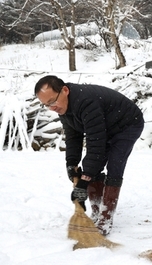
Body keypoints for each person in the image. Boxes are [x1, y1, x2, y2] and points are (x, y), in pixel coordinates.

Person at [34, 75, 144, 235]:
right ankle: (96, 211)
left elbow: (96, 143)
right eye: (46, 105)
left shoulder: (86, 101)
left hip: (127, 124)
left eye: (52, 101)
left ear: (65, 90)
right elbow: (73, 136)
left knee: (115, 164)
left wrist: (85, 180)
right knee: (93, 166)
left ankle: (105, 219)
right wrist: (71, 165)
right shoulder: (63, 106)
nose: (52, 107)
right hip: (107, 126)